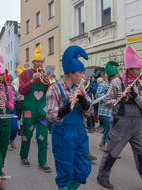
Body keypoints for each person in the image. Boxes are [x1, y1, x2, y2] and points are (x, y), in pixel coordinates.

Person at [46, 45, 93, 189]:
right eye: (80, 73)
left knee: (84, 169)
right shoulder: (54, 89)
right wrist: (65, 108)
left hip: (79, 132)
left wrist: (84, 103)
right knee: (65, 172)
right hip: (63, 134)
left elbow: (89, 113)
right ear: (71, 73)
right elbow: (50, 115)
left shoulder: (80, 88)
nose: (83, 76)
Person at [97, 45, 142, 189]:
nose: (139, 72)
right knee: (112, 152)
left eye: (140, 69)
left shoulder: (140, 83)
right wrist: (118, 99)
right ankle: (102, 176)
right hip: (121, 124)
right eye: (137, 69)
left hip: (138, 124)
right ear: (129, 69)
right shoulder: (117, 82)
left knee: (141, 152)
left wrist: (135, 96)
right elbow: (106, 102)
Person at [19, 45, 51, 173]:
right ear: (32, 62)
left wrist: (49, 82)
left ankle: (42, 162)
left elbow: (48, 92)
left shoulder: (44, 74)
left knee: (43, 135)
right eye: (38, 61)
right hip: (29, 109)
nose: (40, 64)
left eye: (41, 62)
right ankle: (24, 156)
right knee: (27, 133)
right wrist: (32, 80)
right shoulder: (25, 73)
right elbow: (21, 90)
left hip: (42, 110)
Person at [96, 61, 119, 152]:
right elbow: (98, 96)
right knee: (110, 128)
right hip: (104, 111)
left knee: (111, 129)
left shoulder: (115, 84)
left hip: (112, 111)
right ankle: (108, 146)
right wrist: (106, 93)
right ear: (110, 77)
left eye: (117, 76)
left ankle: (104, 142)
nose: (117, 78)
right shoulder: (103, 85)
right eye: (115, 76)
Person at [12, 65, 24, 136]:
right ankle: (19, 128)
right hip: (19, 100)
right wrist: (22, 89)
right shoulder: (16, 80)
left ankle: (22, 127)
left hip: (24, 99)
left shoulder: (24, 80)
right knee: (19, 115)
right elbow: (16, 89)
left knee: (24, 115)